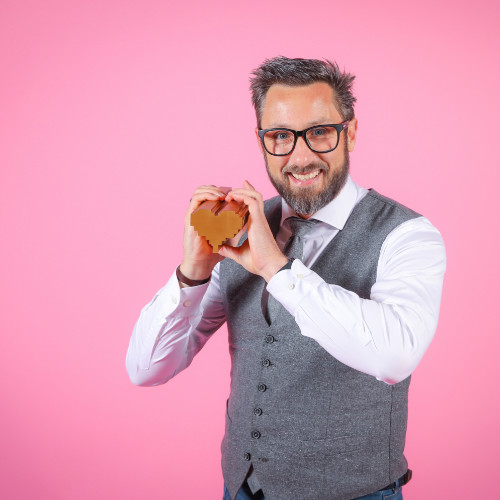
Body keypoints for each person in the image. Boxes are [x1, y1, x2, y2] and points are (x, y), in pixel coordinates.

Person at [126, 56, 446, 500]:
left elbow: (394, 358)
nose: (299, 155)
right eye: (280, 136)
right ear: (261, 142)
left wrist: (275, 267)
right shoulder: (241, 230)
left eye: (319, 132)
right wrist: (193, 273)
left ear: (350, 132)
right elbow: (146, 370)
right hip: (242, 489)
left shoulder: (408, 236)